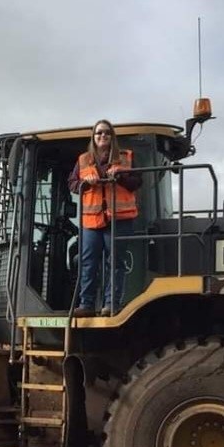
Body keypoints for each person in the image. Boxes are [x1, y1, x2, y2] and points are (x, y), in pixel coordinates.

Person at [68, 119, 141, 317]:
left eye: (107, 133)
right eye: (99, 133)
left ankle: (111, 304)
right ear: (94, 136)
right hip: (92, 221)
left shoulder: (126, 158)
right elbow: (72, 184)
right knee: (88, 261)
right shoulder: (83, 160)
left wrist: (121, 176)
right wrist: (85, 183)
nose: (103, 136)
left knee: (115, 262)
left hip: (119, 219)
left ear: (112, 136)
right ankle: (87, 304)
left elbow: (137, 181)